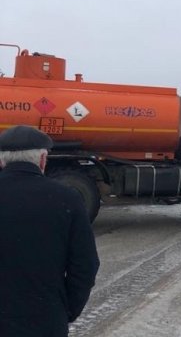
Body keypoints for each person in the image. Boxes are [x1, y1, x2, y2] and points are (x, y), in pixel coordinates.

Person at [0, 125, 100, 337]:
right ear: (43, 159)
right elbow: (85, 265)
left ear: (1, 160)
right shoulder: (67, 198)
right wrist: (67, 309)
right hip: (45, 320)